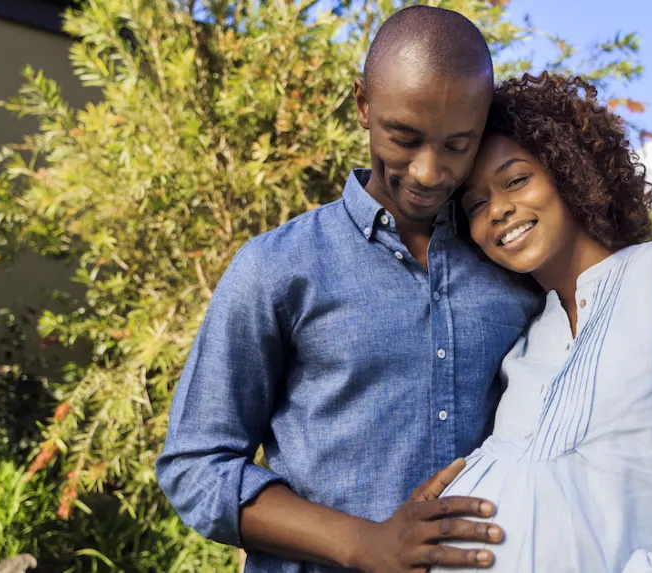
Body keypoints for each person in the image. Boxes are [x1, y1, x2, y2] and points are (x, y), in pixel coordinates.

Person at [155, 7, 542, 573]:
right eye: (404, 138)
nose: (429, 172)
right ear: (363, 105)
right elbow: (196, 466)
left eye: (459, 145)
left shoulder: (511, 267)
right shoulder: (276, 266)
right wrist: (363, 543)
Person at [440, 73, 652, 572]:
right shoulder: (523, 342)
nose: (498, 210)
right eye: (475, 203)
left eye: (516, 179)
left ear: (568, 169)